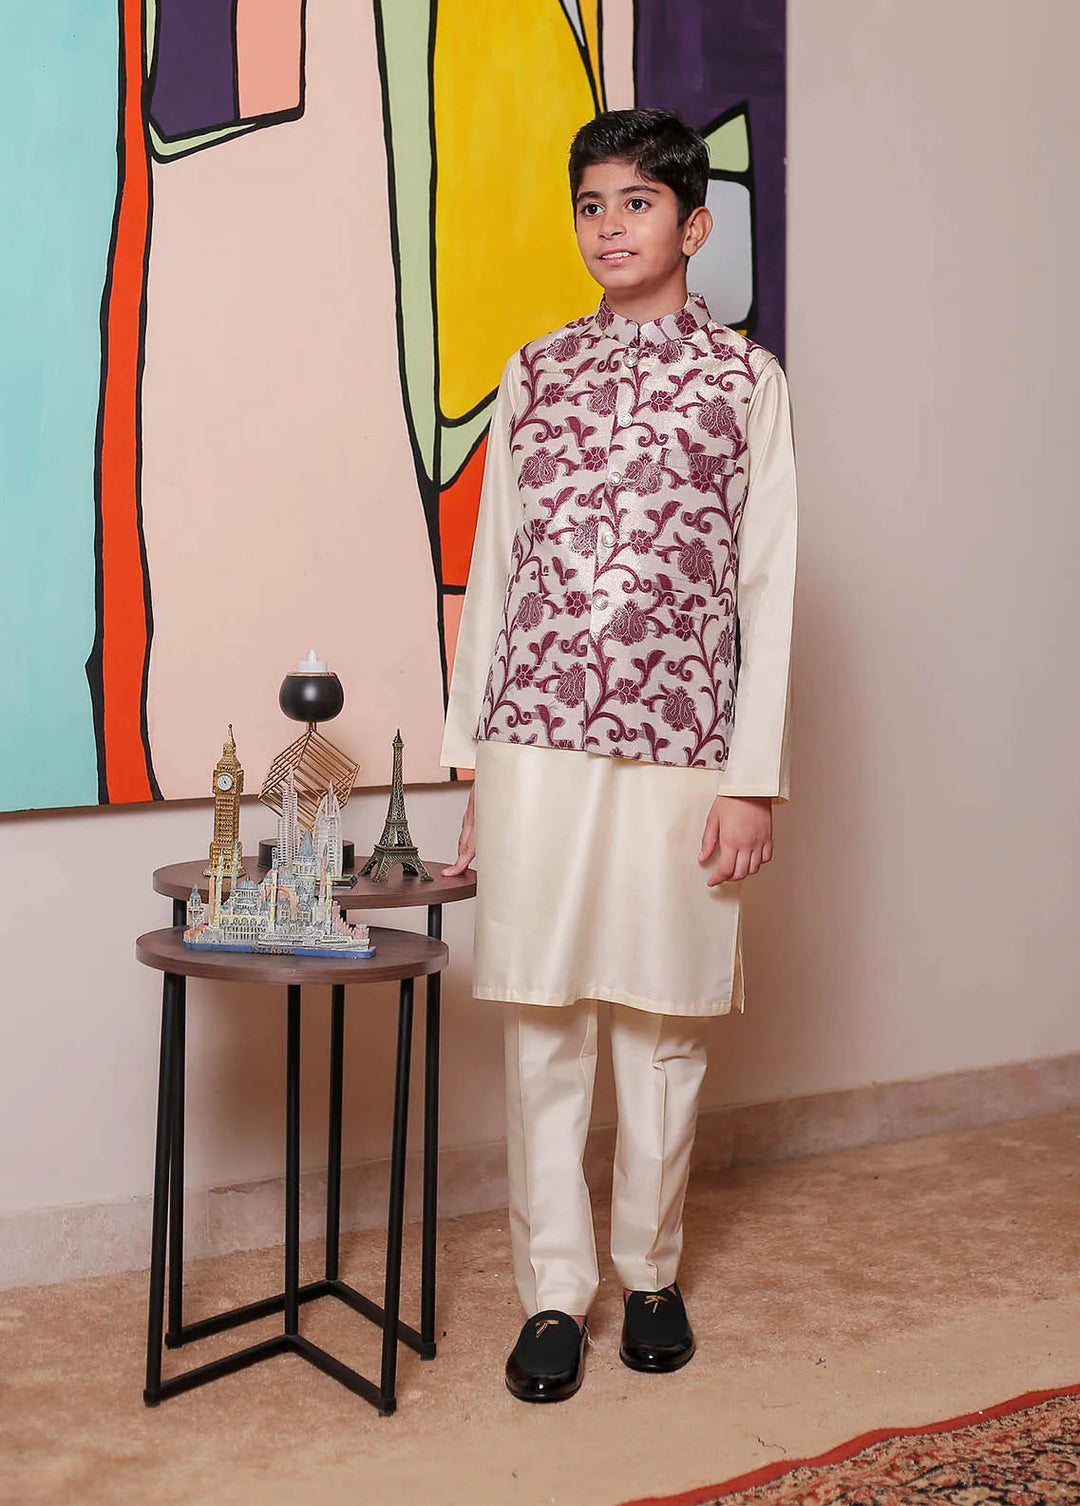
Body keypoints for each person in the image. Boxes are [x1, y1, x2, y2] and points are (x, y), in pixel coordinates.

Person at [441, 109, 797, 1403]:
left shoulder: (745, 384)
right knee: (544, 1021)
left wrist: (751, 775)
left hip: (682, 747)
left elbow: (769, 583)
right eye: (591, 204)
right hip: (534, 742)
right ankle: (554, 1293)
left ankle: (650, 1273)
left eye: (635, 204)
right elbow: (494, 575)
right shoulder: (534, 374)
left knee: (660, 1023)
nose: (609, 227)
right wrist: (471, 765)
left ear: (692, 225)